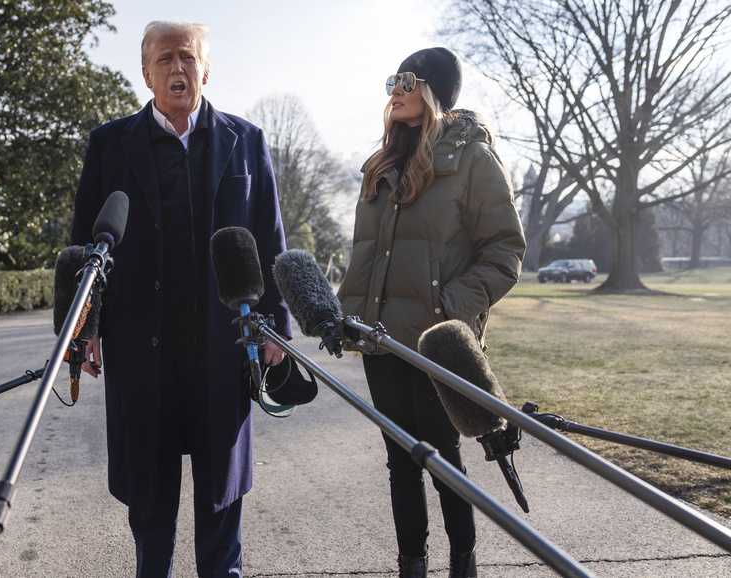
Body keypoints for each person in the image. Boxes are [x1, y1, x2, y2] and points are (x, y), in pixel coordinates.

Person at [70, 21, 290, 578]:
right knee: (150, 507)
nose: (177, 68)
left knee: (221, 508)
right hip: (142, 351)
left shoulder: (248, 141)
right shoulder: (108, 144)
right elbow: (85, 243)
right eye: (164, 58)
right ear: (145, 72)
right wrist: (86, 328)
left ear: (206, 70)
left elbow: (270, 239)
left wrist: (278, 328)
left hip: (223, 348)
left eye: (187, 58)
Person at [337, 47, 526, 578]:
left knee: (442, 458)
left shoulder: (474, 160)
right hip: (381, 340)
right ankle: (411, 565)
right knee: (401, 461)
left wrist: (449, 310)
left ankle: (461, 563)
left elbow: (506, 252)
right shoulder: (380, 165)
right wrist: (345, 314)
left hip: (436, 343)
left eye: (407, 80)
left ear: (432, 90)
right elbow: (367, 256)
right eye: (391, 80)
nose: (394, 89)